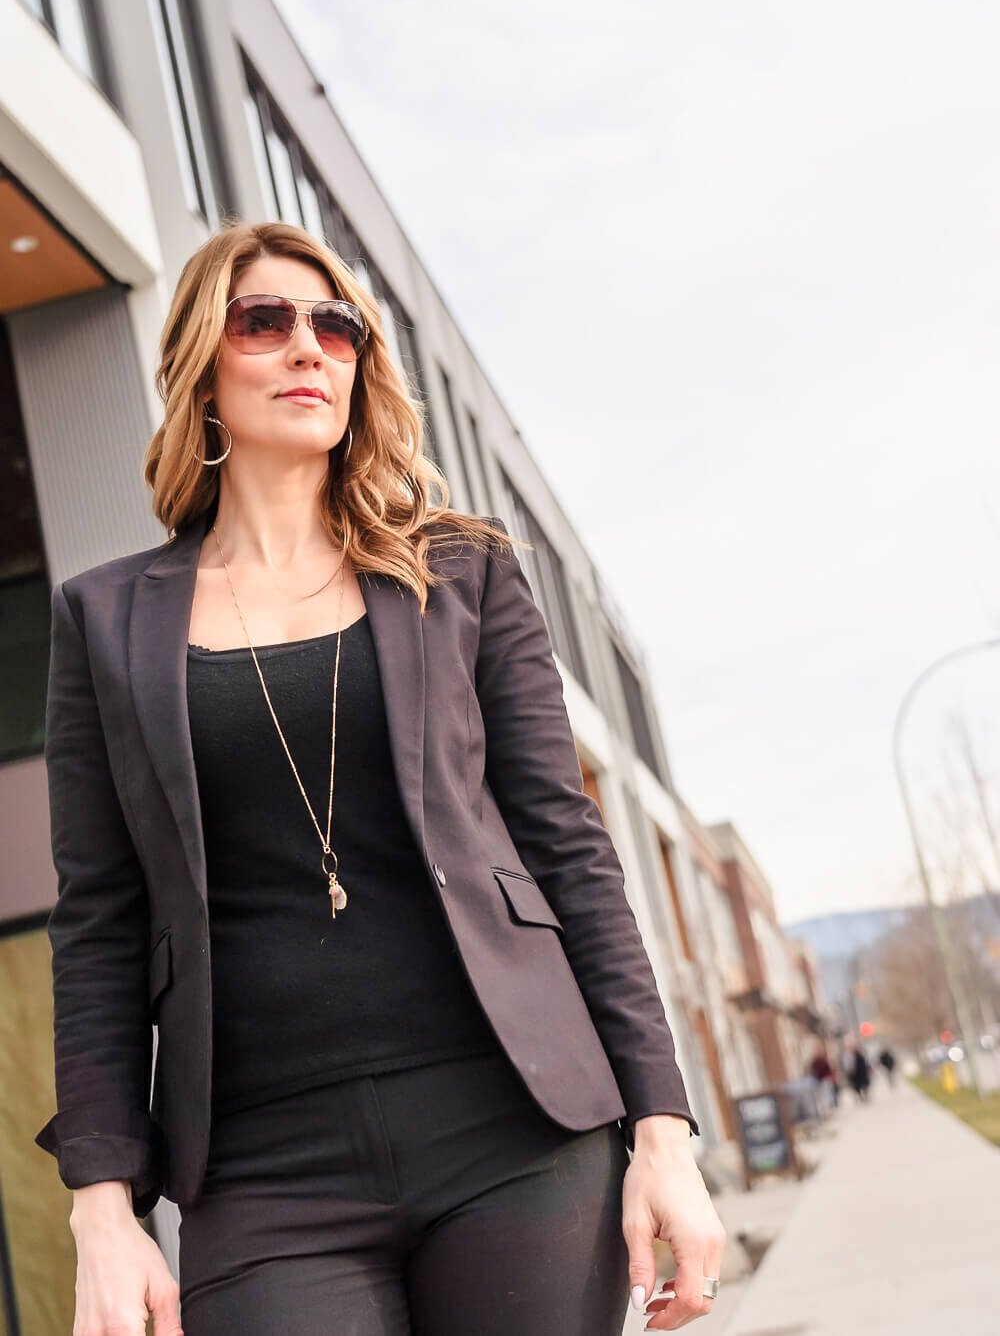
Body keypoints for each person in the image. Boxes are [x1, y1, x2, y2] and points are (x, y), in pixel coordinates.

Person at [35, 221, 725, 1336]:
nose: (308, 346)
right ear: (204, 369)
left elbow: (568, 849)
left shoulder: (460, 575)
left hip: (515, 1131)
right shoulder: (103, 619)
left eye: (336, 326)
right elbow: (100, 927)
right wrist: (102, 1213)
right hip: (262, 1172)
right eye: (265, 321)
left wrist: (661, 1130)